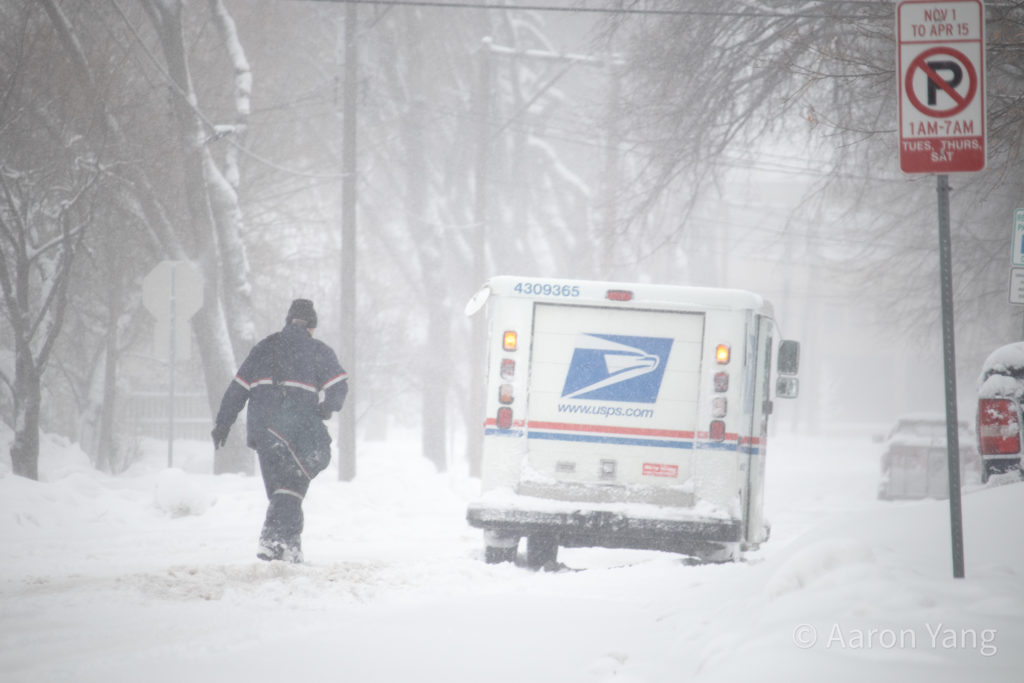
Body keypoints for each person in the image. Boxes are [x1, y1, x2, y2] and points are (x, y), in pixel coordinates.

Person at [211, 299, 348, 563]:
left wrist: (223, 423)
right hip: (296, 430)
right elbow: (340, 386)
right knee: (293, 486)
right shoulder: (317, 350)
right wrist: (328, 407)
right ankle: (272, 540)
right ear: (312, 326)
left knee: (280, 491)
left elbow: (237, 389)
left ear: (288, 321)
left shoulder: (264, 348)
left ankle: (286, 548)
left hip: (263, 431)